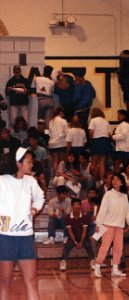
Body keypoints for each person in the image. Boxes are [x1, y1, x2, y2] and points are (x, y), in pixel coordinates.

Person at [0, 148, 45, 300]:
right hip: (5, 238)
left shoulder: (31, 181)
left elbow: (40, 197)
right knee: (5, 283)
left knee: (32, 282)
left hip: (26, 238)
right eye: (28, 162)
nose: (31, 165)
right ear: (18, 164)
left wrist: (34, 208)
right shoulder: (2, 181)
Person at [93, 173, 129, 277]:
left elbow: (127, 211)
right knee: (105, 246)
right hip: (108, 225)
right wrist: (98, 223)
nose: (114, 181)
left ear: (121, 182)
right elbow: (103, 210)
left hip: (119, 226)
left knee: (118, 248)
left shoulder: (124, 196)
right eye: (113, 179)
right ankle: (97, 267)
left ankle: (115, 268)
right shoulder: (108, 194)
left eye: (117, 179)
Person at [59, 198, 95, 271]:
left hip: (83, 237)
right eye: (74, 205)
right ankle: (63, 261)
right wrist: (75, 242)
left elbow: (84, 231)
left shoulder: (85, 217)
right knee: (67, 246)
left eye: (78, 205)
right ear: (72, 206)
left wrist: (81, 242)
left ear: (80, 206)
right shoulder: (68, 217)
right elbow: (70, 231)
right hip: (73, 237)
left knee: (88, 245)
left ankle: (92, 261)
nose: (76, 206)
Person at [88, 108, 112, 182]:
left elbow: (91, 132)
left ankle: (94, 179)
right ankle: (102, 180)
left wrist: (91, 141)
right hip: (105, 141)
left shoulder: (93, 120)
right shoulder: (106, 121)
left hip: (96, 141)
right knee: (102, 163)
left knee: (94, 163)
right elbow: (109, 133)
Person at [48, 107, 68, 175]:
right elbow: (66, 132)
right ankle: (60, 175)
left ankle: (55, 175)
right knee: (61, 161)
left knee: (55, 161)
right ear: (60, 113)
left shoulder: (51, 121)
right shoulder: (63, 121)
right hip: (61, 143)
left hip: (52, 143)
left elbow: (49, 133)